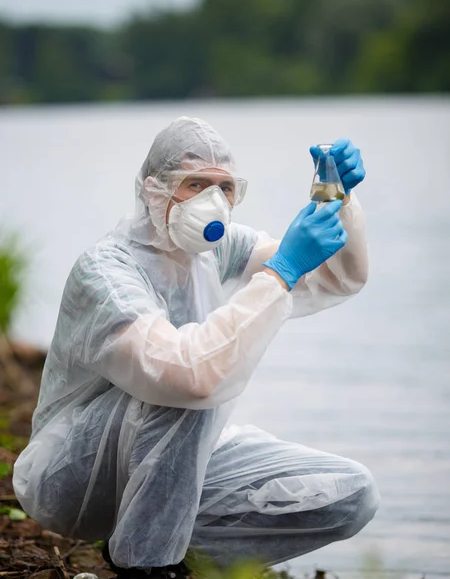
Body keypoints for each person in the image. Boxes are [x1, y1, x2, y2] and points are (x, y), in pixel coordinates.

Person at [13, 117, 379, 578]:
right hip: (75, 478)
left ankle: (169, 553)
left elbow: (335, 277)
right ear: (154, 190)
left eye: (225, 187)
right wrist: (279, 271)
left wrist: (340, 200)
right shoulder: (106, 272)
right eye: (195, 184)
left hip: (172, 463)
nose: (214, 201)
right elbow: (189, 376)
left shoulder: (216, 250)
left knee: (349, 494)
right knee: (187, 384)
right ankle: (146, 566)